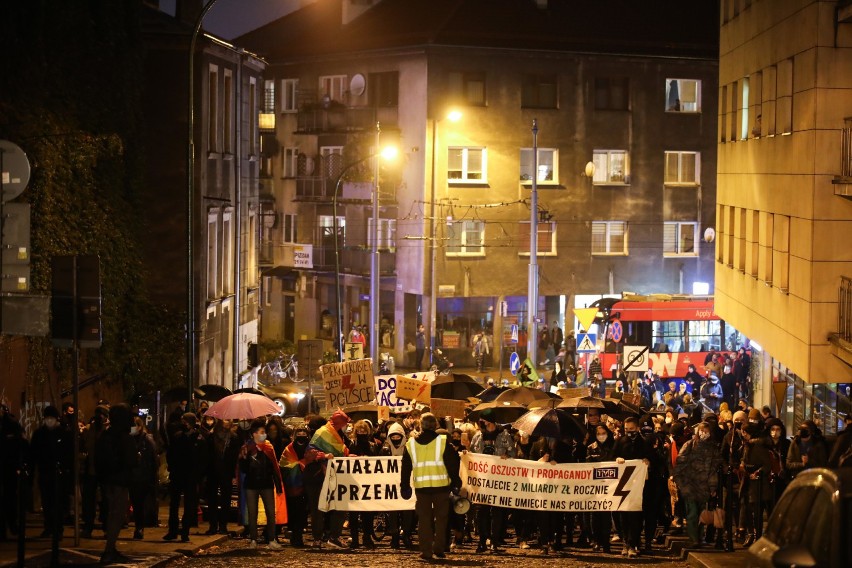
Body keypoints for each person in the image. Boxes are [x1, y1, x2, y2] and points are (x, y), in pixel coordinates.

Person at [400, 413, 461, 561]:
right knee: (441, 520)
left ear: (420, 425)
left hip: (422, 489)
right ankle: (439, 549)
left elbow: (406, 467)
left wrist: (405, 485)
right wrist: (456, 482)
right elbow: (453, 463)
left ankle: (426, 552)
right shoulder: (443, 442)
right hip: (441, 488)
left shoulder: (411, 444)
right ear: (435, 426)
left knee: (424, 521)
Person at [95, 403, 137, 564]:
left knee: (113, 514)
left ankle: (110, 549)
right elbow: (131, 460)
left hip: (107, 480)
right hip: (119, 480)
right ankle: (109, 550)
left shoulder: (105, 435)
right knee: (117, 515)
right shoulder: (124, 437)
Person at [470, 410, 515, 553]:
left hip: (498, 479)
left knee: (497, 511)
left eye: (484, 419)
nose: (481, 422)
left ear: (490, 420)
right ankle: (482, 541)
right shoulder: (478, 436)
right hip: (482, 480)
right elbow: (472, 454)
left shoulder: (504, 436)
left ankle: (494, 541)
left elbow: (513, 454)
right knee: (481, 511)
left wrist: (506, 456)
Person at [306, 410, 351, 549]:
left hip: (334, 476)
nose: (347, 427)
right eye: (345, 424)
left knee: (340, 505)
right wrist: (325, 456)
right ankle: (318, 539)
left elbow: (340, 453)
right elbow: (310, 452)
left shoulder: (338, 435)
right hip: (318, 476)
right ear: (340, 423)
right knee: (318, 509)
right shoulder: (322, 432)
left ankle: (334, 536)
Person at [673, 422, 722, 548]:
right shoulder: (689, 445)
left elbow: (713, 469)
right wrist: (681, 482)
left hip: (704, 486)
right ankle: (694, 539)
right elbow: (679, 464)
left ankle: (699, 538)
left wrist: (712, 487)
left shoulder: (713, 449)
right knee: (692, 513)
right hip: (690, 485)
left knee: (701, 514)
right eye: (701, 431)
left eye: (706, 431)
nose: (703, 433)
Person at [239, 420, 284, 550]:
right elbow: (242, 468)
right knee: (252, 513)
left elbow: (275, 467)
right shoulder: (246, 448)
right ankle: (253, 539)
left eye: (264, 432)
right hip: (251, 484)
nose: (264, 435)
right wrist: (247, 457)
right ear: (254, 434)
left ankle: (271, 539)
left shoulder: (269, 447)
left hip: (267, 484)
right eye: (262, 432)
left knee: (271, 513)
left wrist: (278, 485)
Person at [30, 405, 73, 539]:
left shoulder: (63, 433)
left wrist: (66, 470)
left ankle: (58, 529)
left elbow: (69, 454)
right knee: (47, 502)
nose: (49, 420)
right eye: (47, 418)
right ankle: (48, 527)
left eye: (52, 418)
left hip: (59, 473)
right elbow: (33, 453)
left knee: (58, 503)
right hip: (45, 472)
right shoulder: (39, 434)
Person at [164, 413, 208, 542]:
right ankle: (173, 530)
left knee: (188, 505)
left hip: (190, 476)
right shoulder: (178, 436)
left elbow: (203, 459)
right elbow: (170, 454)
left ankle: (184, 531)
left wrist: (198, 475)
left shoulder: (199, 439)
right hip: (179, 474)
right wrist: (172, 468)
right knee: (174, 504)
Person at [613, 417, 651, 558]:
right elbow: (612, 457)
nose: (629, 432)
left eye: (631, 429)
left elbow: (651, 458)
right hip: (624, 486)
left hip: (639, 486)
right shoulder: (620, 442)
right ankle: (626, 542)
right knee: (624, 515)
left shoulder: (644, 442)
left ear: (637, 428)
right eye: (626, 429)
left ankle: (633, 543)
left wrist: (647, 461)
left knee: (636, 515)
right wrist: (617, 459)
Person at [279, 425, 316, 547]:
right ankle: (295, 535)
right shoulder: (288, 450)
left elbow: (316, 461)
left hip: (307, 485)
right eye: (299, 432)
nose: (301, 434)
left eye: (303, 432)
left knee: (303, 513)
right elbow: (283, 465)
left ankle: (298, 536)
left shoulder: (311, 449)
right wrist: (300, 464)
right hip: (293, 486)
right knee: (294, 512)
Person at [380, 421, 415, 549]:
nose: (395, 439)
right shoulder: (385, 450)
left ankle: (406, 534)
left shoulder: (409, 449)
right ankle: (394, 536)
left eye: (397, 437)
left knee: (407, 511)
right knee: (392, 512)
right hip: (391, 486)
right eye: (393, 437)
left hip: (407, 485)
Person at [348, 420, 378, 549]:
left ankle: (367, 537)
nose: (361, 433)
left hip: (368, 482)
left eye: (364, 431)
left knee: (368, 513)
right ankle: (354, 538)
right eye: (359, 431)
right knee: (353, 513)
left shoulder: (373, 445)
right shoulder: (351, 444)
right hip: (354, 482)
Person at [206, 419, 239, 535]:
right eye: (226, 419)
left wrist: (233, 473)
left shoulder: (233, 437)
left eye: (229, 420)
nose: (228, 422)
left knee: (226, 499)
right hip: (212, 471)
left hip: (226, 471)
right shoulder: (211, 436)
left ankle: (223, 525)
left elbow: (235, 456)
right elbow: (207, 454)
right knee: (212, 499)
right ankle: (213, 525)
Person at [586, 424, 616, 552]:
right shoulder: (591, 448)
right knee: (595, 515)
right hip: (595, 486)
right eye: (599, 434)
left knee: (606, 516)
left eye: (603, 433)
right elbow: (587, 466)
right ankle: (596, 541)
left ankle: (606, 541)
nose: (601, 436)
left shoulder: (613, 446)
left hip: (609, 485)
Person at [128, 415, 158, 540]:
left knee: (140, 503)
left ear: (140, 427)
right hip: (132, 475)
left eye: (134, 426)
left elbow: (154, 459)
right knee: (136, 503)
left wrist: (152, 476)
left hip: (143, 476)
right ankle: (139, 526)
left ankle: (140, 527)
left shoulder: (147, 440)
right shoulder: (129, 439)